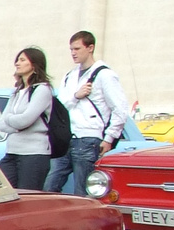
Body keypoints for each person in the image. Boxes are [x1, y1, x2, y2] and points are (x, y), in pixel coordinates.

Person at [45, 30, 131, 195]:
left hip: (89, 138)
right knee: (50, 185)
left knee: (83, 190)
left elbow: (120, 108)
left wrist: (109, 138)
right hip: (67, 138)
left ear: (90, 48)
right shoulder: (70, 76)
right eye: (71, 49)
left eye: (77, 49)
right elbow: (61, 107)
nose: (73, 53)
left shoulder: (105, 75)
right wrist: (76, 96)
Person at [0, 48, 55, 191]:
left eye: (22, 60)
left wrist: (14, 121)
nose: (17, 63)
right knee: (3, 191)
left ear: (33, 65)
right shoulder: (17, 92)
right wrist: (17, 124)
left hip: (33, 154)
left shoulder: (42, 90)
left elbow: (26, 119)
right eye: (17, 60)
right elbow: (2, 124)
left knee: (28, 195)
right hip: (12, 151)